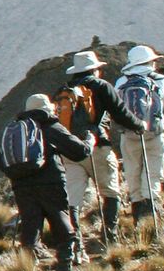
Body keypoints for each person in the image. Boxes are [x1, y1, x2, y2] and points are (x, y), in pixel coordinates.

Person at [60, 49, 144, 249]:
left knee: (72, 198)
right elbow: (120, 112)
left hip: (70, 151)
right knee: (110, 191)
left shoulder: (65, 91)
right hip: (97, 147)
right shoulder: (100, 86)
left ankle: (73, 242)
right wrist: (139, 125)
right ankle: (109, 237)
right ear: (94, 70)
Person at [4, 93, 95, 271]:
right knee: (61, 224)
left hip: (21, 185)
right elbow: (79, 152)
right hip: (51, 183)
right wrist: (90, 141)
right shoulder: (50, 126)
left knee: (30, 228)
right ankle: (64, 269)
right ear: (47, 109)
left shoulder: (16, 129)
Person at [112, 46, 164, 234]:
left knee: (133, 173)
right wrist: (160, 119)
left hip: (129, 135)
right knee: (152, 175)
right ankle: (150, 221)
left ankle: (137, 215)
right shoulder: (160, 80)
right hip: (154, 134)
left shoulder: (122, 81)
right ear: (150, 61)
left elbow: (115, 109)